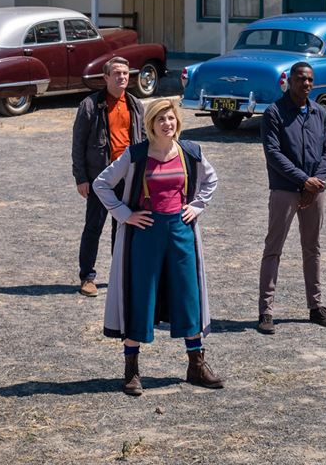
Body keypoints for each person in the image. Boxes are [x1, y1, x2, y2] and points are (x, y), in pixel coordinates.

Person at [93, 98, 223, 396]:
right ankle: (132, 371)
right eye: (161, 119)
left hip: (180, 231)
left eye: (171, 118)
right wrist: (125, 215)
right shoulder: (136, 155)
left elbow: (210, 181)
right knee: (141, 295)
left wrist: (197, 206)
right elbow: (102, 183)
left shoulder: (190, 151)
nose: (167, 123)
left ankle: (196, 364)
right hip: (147, 233)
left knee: (188, 294)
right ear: (151, 124)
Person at [257, 62, 326, 335]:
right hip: (284, 190)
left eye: (311, 80)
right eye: (301, 79)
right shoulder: (274, 113)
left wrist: (315, 184)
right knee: (273, 249)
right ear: (289, 81)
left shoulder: (319, 112)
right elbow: (274, 154)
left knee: (312, 248)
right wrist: (303, 180)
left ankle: (315, 307)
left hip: (314, 190)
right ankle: (266, 312)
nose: (307, 84)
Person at [72, 57, 145, 297]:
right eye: (116, 73)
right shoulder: (91, 105)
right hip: (100, 178)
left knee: (123, 226)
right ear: (105, 78)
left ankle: (120, 274)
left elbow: (143, 140)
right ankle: (87, 277)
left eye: (125, 73)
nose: (122, 77)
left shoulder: (135, 104)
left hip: (129, 176)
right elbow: (78, 144)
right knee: (94, 227)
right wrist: (81, 177)